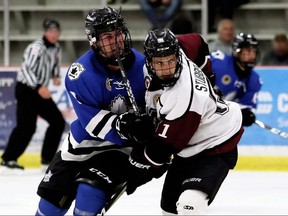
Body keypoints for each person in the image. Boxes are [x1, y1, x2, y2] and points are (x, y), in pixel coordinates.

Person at [35, 6, 156, 216]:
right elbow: (92, 123)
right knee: (49, 207)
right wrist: (124, 124)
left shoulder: (145, 66)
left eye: (118, 33)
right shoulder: (81, 74)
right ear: (94, 41)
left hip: (120, 149)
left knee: (88, 193)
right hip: (81, 146)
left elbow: (158, 106)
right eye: (108, 36)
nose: (116, 40)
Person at [125, 28, 244, 215]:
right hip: (187, 149)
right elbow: (198, 41)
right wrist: (209, 77)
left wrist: (137, 167)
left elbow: (162, 150)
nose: (166, 69)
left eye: (170, 61)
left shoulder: (185, 96)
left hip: (215, 144)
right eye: (159, 62)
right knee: (169, 211)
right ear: (149, 60)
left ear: (177, 57)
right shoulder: (176, 48)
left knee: (189, 207)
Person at [0, 18, 65, 172]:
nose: (54, 34)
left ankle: (46, 160)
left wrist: (55, 77)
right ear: (45, 32)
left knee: (57, 122)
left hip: (39, 90)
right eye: (50, 31)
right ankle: (8, 159)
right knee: (27, 126)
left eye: (56, 31)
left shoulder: (56, 49)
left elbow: (54, 66)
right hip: (27, 89)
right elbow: (26, 69)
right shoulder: (36, 47)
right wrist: (38, 87)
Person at [210, 32, 262, 127]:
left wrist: (244, 115)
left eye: (254, 51)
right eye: (248, 50)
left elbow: (245, 106)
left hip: (217, 120)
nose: (252, 54)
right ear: (237, 51)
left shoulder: (254, 80)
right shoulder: (218, 61)